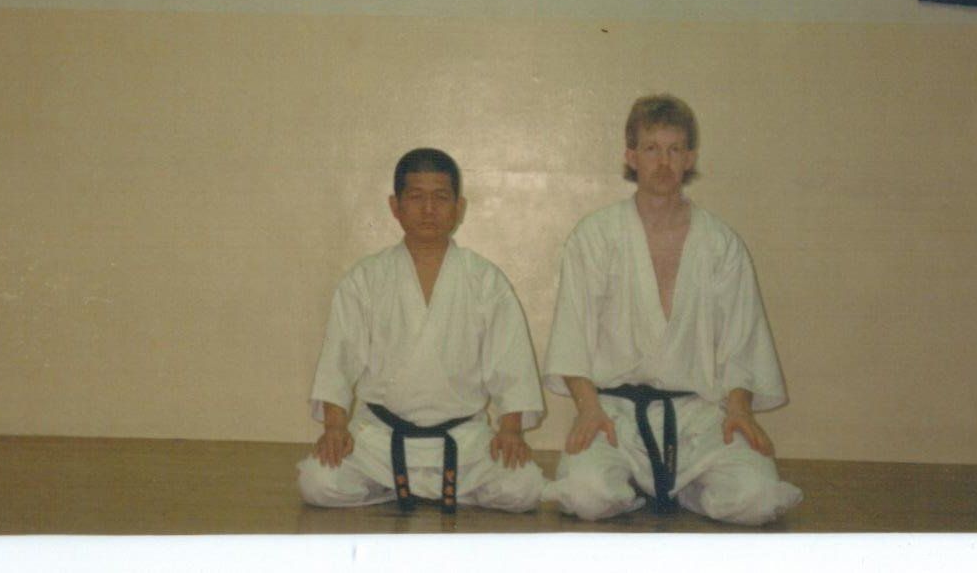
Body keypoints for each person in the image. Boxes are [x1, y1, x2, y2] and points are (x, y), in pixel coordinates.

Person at [541, 95, 803, 525]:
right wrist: (588, 409)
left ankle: (684, 486)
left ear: (690, 158)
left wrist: (738, 409)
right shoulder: (596, 236)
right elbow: (572, 332)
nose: (663, 162)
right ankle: (640, 485)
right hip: (614, 413)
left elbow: (742, 338)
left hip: (699, 414)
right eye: (651, 149)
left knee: (757, 499)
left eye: (675, 149)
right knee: (588, 496)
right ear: (631, 156)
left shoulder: (720, 244)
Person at [297, 148, 546, 514]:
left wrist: (510, 431)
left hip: (464, 439)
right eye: (416, 197)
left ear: (458, 208)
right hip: (380, 440)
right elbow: (339, 358)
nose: (429, 209)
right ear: (395, 206)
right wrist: (335, 427)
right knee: (317, 482)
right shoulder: (365, 279)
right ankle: (412, 485)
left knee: (523, 488)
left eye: (440, 198)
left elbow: (511, 363)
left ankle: (403, 490)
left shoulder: (485, 280)